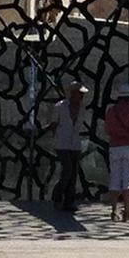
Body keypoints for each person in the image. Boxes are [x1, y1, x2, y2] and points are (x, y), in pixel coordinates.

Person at [105, 82, 129, 222]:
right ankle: (127, 211)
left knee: (115, 179)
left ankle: (114, 211)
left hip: (115, 147)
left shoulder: (111, 111)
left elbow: (107, 130)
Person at [49, 79, 88, 212]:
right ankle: (57, 194)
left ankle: (69, 201)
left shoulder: (82, 107)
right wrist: (56, 138)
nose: (82, 96)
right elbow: (53, 124)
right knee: (68, 170)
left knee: (73, 174)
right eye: (79, 93)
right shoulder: (60, 106)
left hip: (75, 143)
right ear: (72, 93)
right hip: (62, 142)